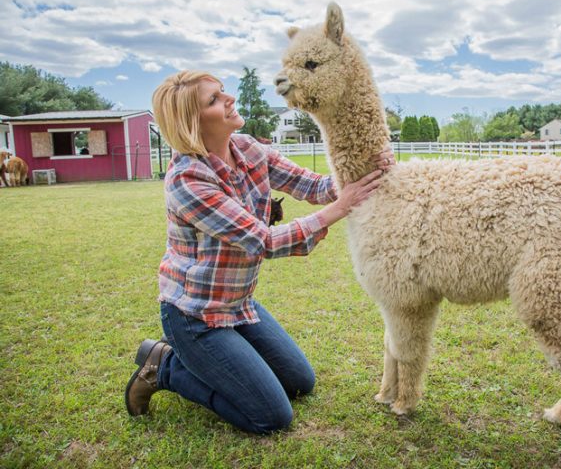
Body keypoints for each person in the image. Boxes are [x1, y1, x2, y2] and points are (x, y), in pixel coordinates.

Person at [125, 70, 395, 433]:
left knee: (301, 383)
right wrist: (340, 208)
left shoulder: (250, 148)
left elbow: (312, 185)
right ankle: (166, 369)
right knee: (270, 417)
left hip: (238, 305)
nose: (229, 99)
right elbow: (262, 240)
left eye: (222, 92)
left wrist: (366, 173)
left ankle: (223, 363)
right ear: (193, 122)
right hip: (196, 317)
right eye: (214, 100)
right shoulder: (187, 179)